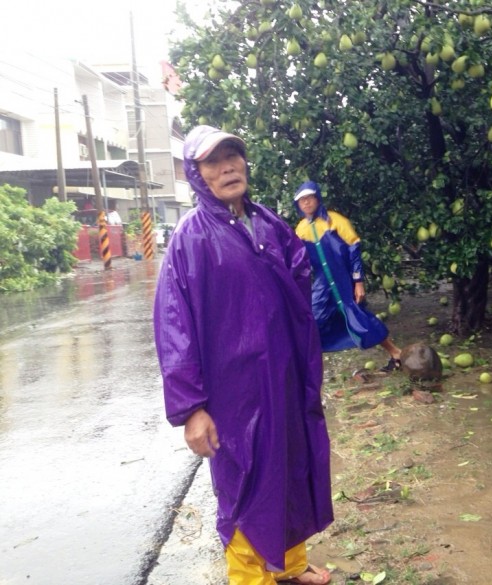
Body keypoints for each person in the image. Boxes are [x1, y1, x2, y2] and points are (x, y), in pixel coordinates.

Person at [153, 126, 333, 585]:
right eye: (214, 161)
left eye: (234, 156)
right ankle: (252, 580)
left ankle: (290, 568)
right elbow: (174, 328)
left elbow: (297, 284)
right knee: (246, 488)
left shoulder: (269, 223)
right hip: (234, 396)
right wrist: (193, 409)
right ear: (197, 175)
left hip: (283, 380)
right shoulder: (190, 241)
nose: (228, 166)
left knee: (290, 468)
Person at [293, 181, 403, 371]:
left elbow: (354, 250)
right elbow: (297, 258)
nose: (306, 203)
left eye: (309, 198)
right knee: (312, 320)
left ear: (317, 198)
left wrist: (358, 281)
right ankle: (307, 367)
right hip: (323, 283)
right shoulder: (300, 229)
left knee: (359, 318)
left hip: (343, 281)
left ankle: (395, 352)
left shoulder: (335, 221)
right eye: (302, 200)